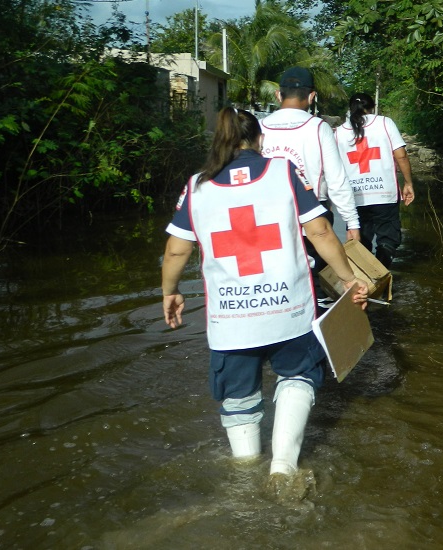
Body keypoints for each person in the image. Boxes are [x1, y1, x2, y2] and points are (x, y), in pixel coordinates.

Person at [161, 107, 369, 486]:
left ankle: (243, 473)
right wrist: (349, 279)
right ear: (260, 139)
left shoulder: (196, 186)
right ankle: (283, 468)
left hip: (231, 320)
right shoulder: (283, 172)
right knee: (299, 374)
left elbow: (177, 250)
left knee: (238, 396)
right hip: (288, 309)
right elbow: (321, 231)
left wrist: (170, 292)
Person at [260, 67, 361, 258]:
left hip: (268, 219)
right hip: (313, 220)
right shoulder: (318, 128)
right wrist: (352, 221)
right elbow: (336, 180)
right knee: (315, 280)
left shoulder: (258, 127)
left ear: (278, 95)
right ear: (312, 96)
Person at [333, 93, 415, 268]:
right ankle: (382, 275)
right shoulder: (385, 123)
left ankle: (366, 282)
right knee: (388, 239)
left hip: (355, 197)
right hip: (385, 194)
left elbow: (334, 169)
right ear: (372, 107)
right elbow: (401, 156)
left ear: (350, 109)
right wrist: (408, 183)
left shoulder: (339, 133)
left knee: (360, 241)